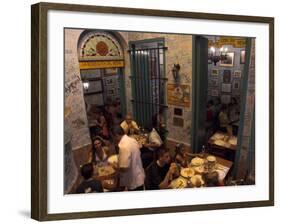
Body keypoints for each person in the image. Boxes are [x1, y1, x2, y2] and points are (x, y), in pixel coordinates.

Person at [111, 125, 145, 191]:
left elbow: (124, 168)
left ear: (115, 135)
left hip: (133, 180)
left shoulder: (123, 146)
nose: (112, 139)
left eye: (112, 137)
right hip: (139, 175)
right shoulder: (132, 140)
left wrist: (115, 166)